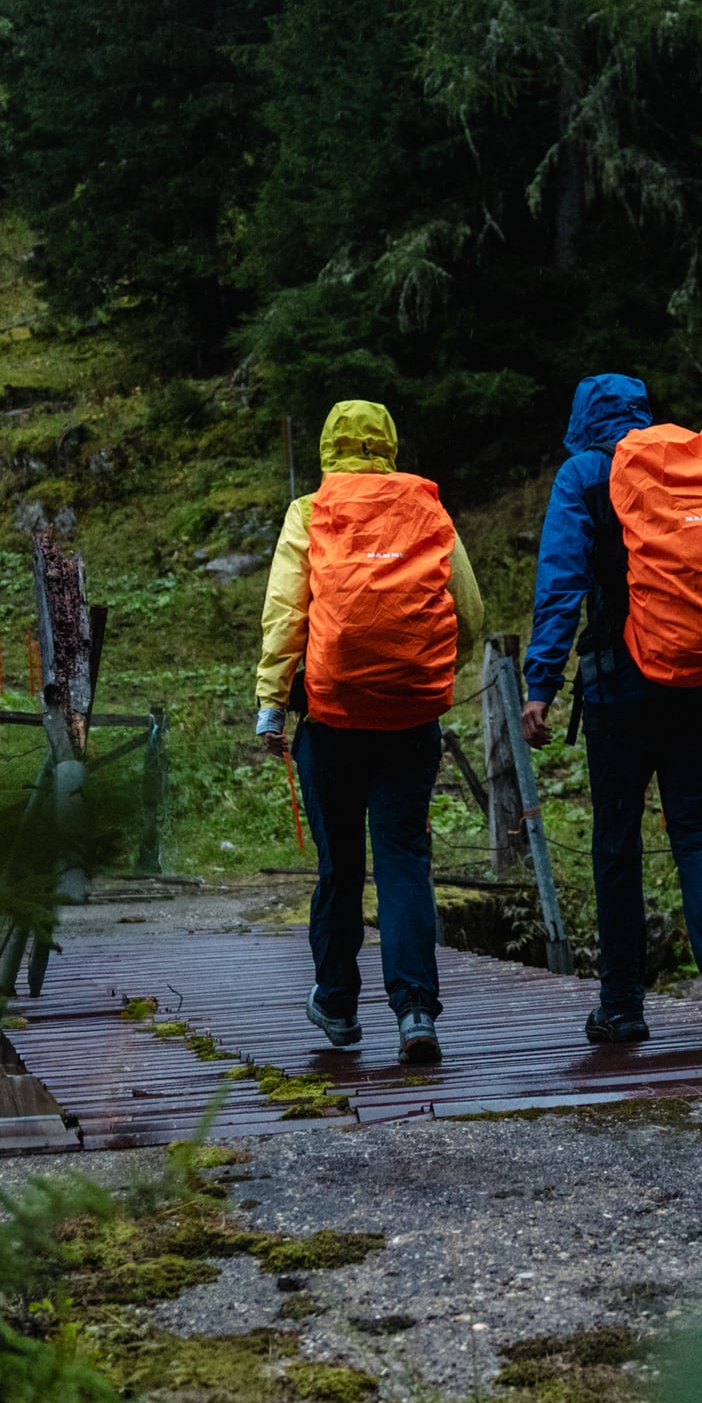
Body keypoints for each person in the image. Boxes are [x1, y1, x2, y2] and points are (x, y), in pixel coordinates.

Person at [521, 373, 702, 1050]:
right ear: (641, 414)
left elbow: (561, 580)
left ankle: (622, 1006)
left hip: (621, 689)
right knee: (697, 831)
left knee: (616, 843)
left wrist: (540, 683)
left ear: (583, 421)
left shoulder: (585, 474)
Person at [254, 400, 485, 1064]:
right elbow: (467, 610)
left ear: (330, 445)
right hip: (411, 721)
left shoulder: (311, 510)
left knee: (340, 866)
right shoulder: (425, 506)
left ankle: (336, 1002)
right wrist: (431, 672)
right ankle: (415, 1011)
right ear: (387, 445)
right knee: (405, 861)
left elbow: (285, 613)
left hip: (330, 721)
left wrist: (272, 703)